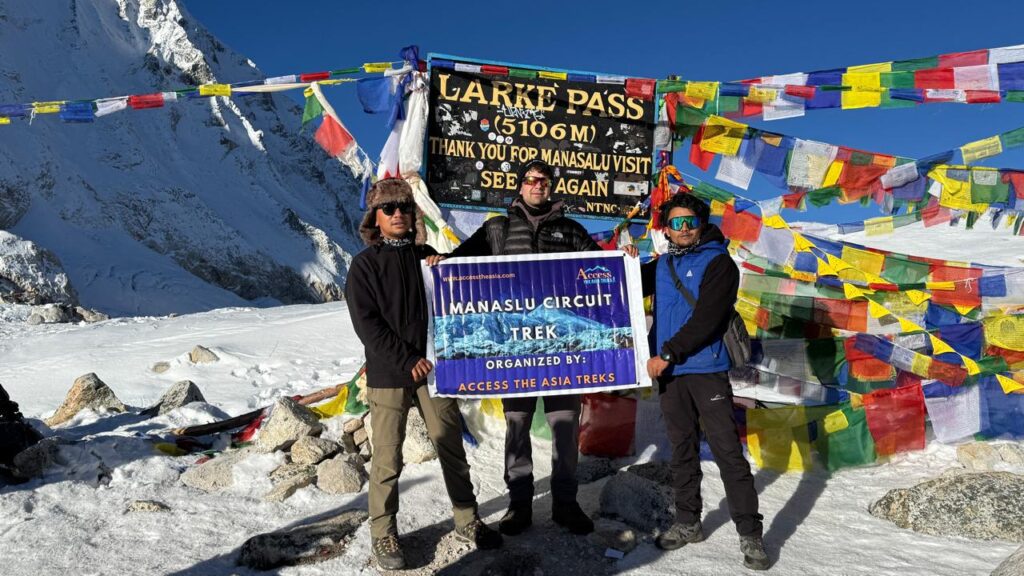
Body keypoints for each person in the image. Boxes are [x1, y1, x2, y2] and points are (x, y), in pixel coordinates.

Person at [428, 159, 601, 537]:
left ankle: (565, 504)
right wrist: (441, 262)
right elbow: (461, 264)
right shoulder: (496, 229)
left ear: (551, 187)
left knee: (565, 426)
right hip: (513, 352)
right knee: (517, 425)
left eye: (544, 181)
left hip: (562, 348)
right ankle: (519, 504)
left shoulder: (571, 230)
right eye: (530, 180)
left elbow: (599, 268)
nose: (537, 185)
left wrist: (625, 260)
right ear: (520, 186)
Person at [345, 178, 502, 570]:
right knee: (387, 457)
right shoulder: (364, 265)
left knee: (450, 442)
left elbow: (453, 302)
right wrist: (404, 359)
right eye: (388, 209)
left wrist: (443, 269)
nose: (398, 213)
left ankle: (467, 519)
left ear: (414, 214)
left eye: (404, 207)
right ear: (375, 219)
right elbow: (367, 323)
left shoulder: (427, 256)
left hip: (435, 371)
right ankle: (383, 533)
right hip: (389, 374)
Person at [637, 192, 770, 571]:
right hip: (672, 375)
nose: (683, 229)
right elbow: (620, 282)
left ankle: (750, 534)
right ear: (666, 228)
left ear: (701, 224)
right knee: (681, 449)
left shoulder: (719, 263)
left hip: (704, 369)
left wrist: (668, 354)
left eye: (689, 222)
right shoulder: (661, 265)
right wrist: (628, 261)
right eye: (675, 223)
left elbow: (710, 318)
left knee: (728, 452)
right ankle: (688, 521)